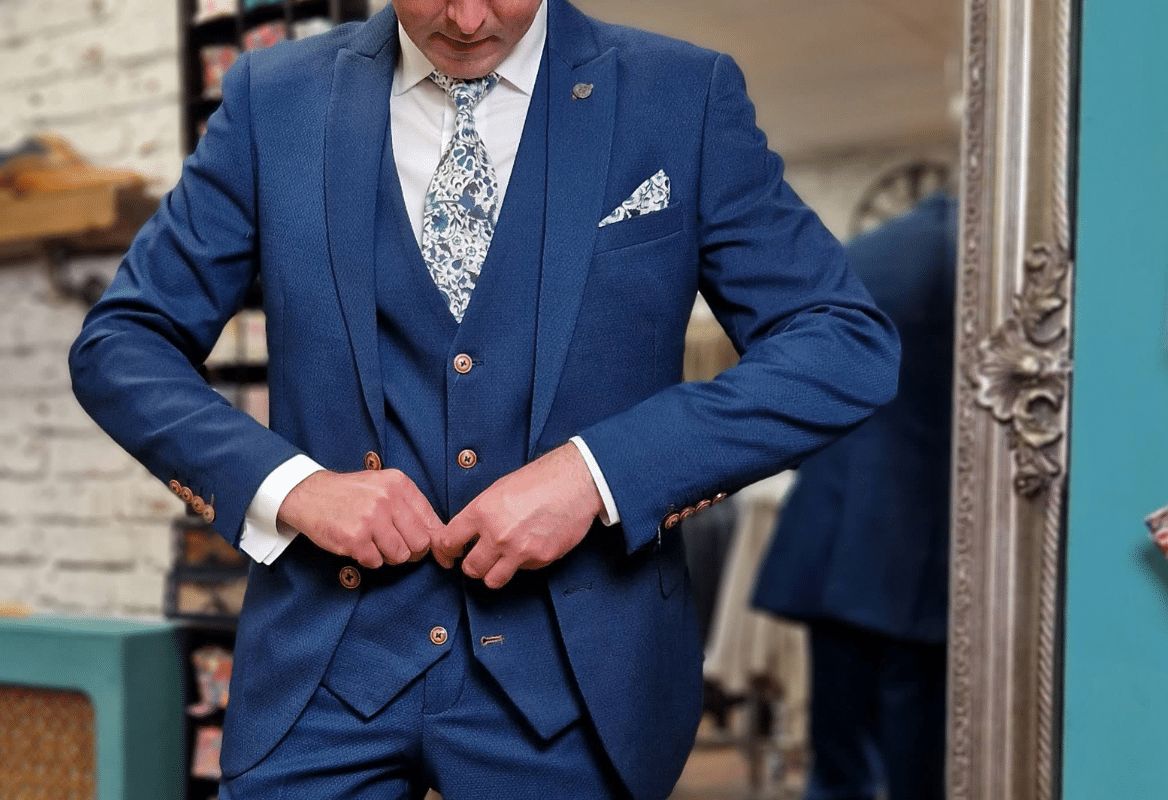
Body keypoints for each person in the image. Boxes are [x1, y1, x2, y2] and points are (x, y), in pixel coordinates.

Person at [68, 0, 900, 797]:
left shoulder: (681, 94)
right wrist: (293, 490)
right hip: (321, 671)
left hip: (579, 682)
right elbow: (123, 345)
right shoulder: (270, 99)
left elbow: (839, 343)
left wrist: (595, 474)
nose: (466, 21)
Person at [752, 191, 958, 800]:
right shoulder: (964, 259)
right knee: (914, 758)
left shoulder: (865, 256)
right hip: (918, 537)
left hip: (835, 524)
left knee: (839, 753)